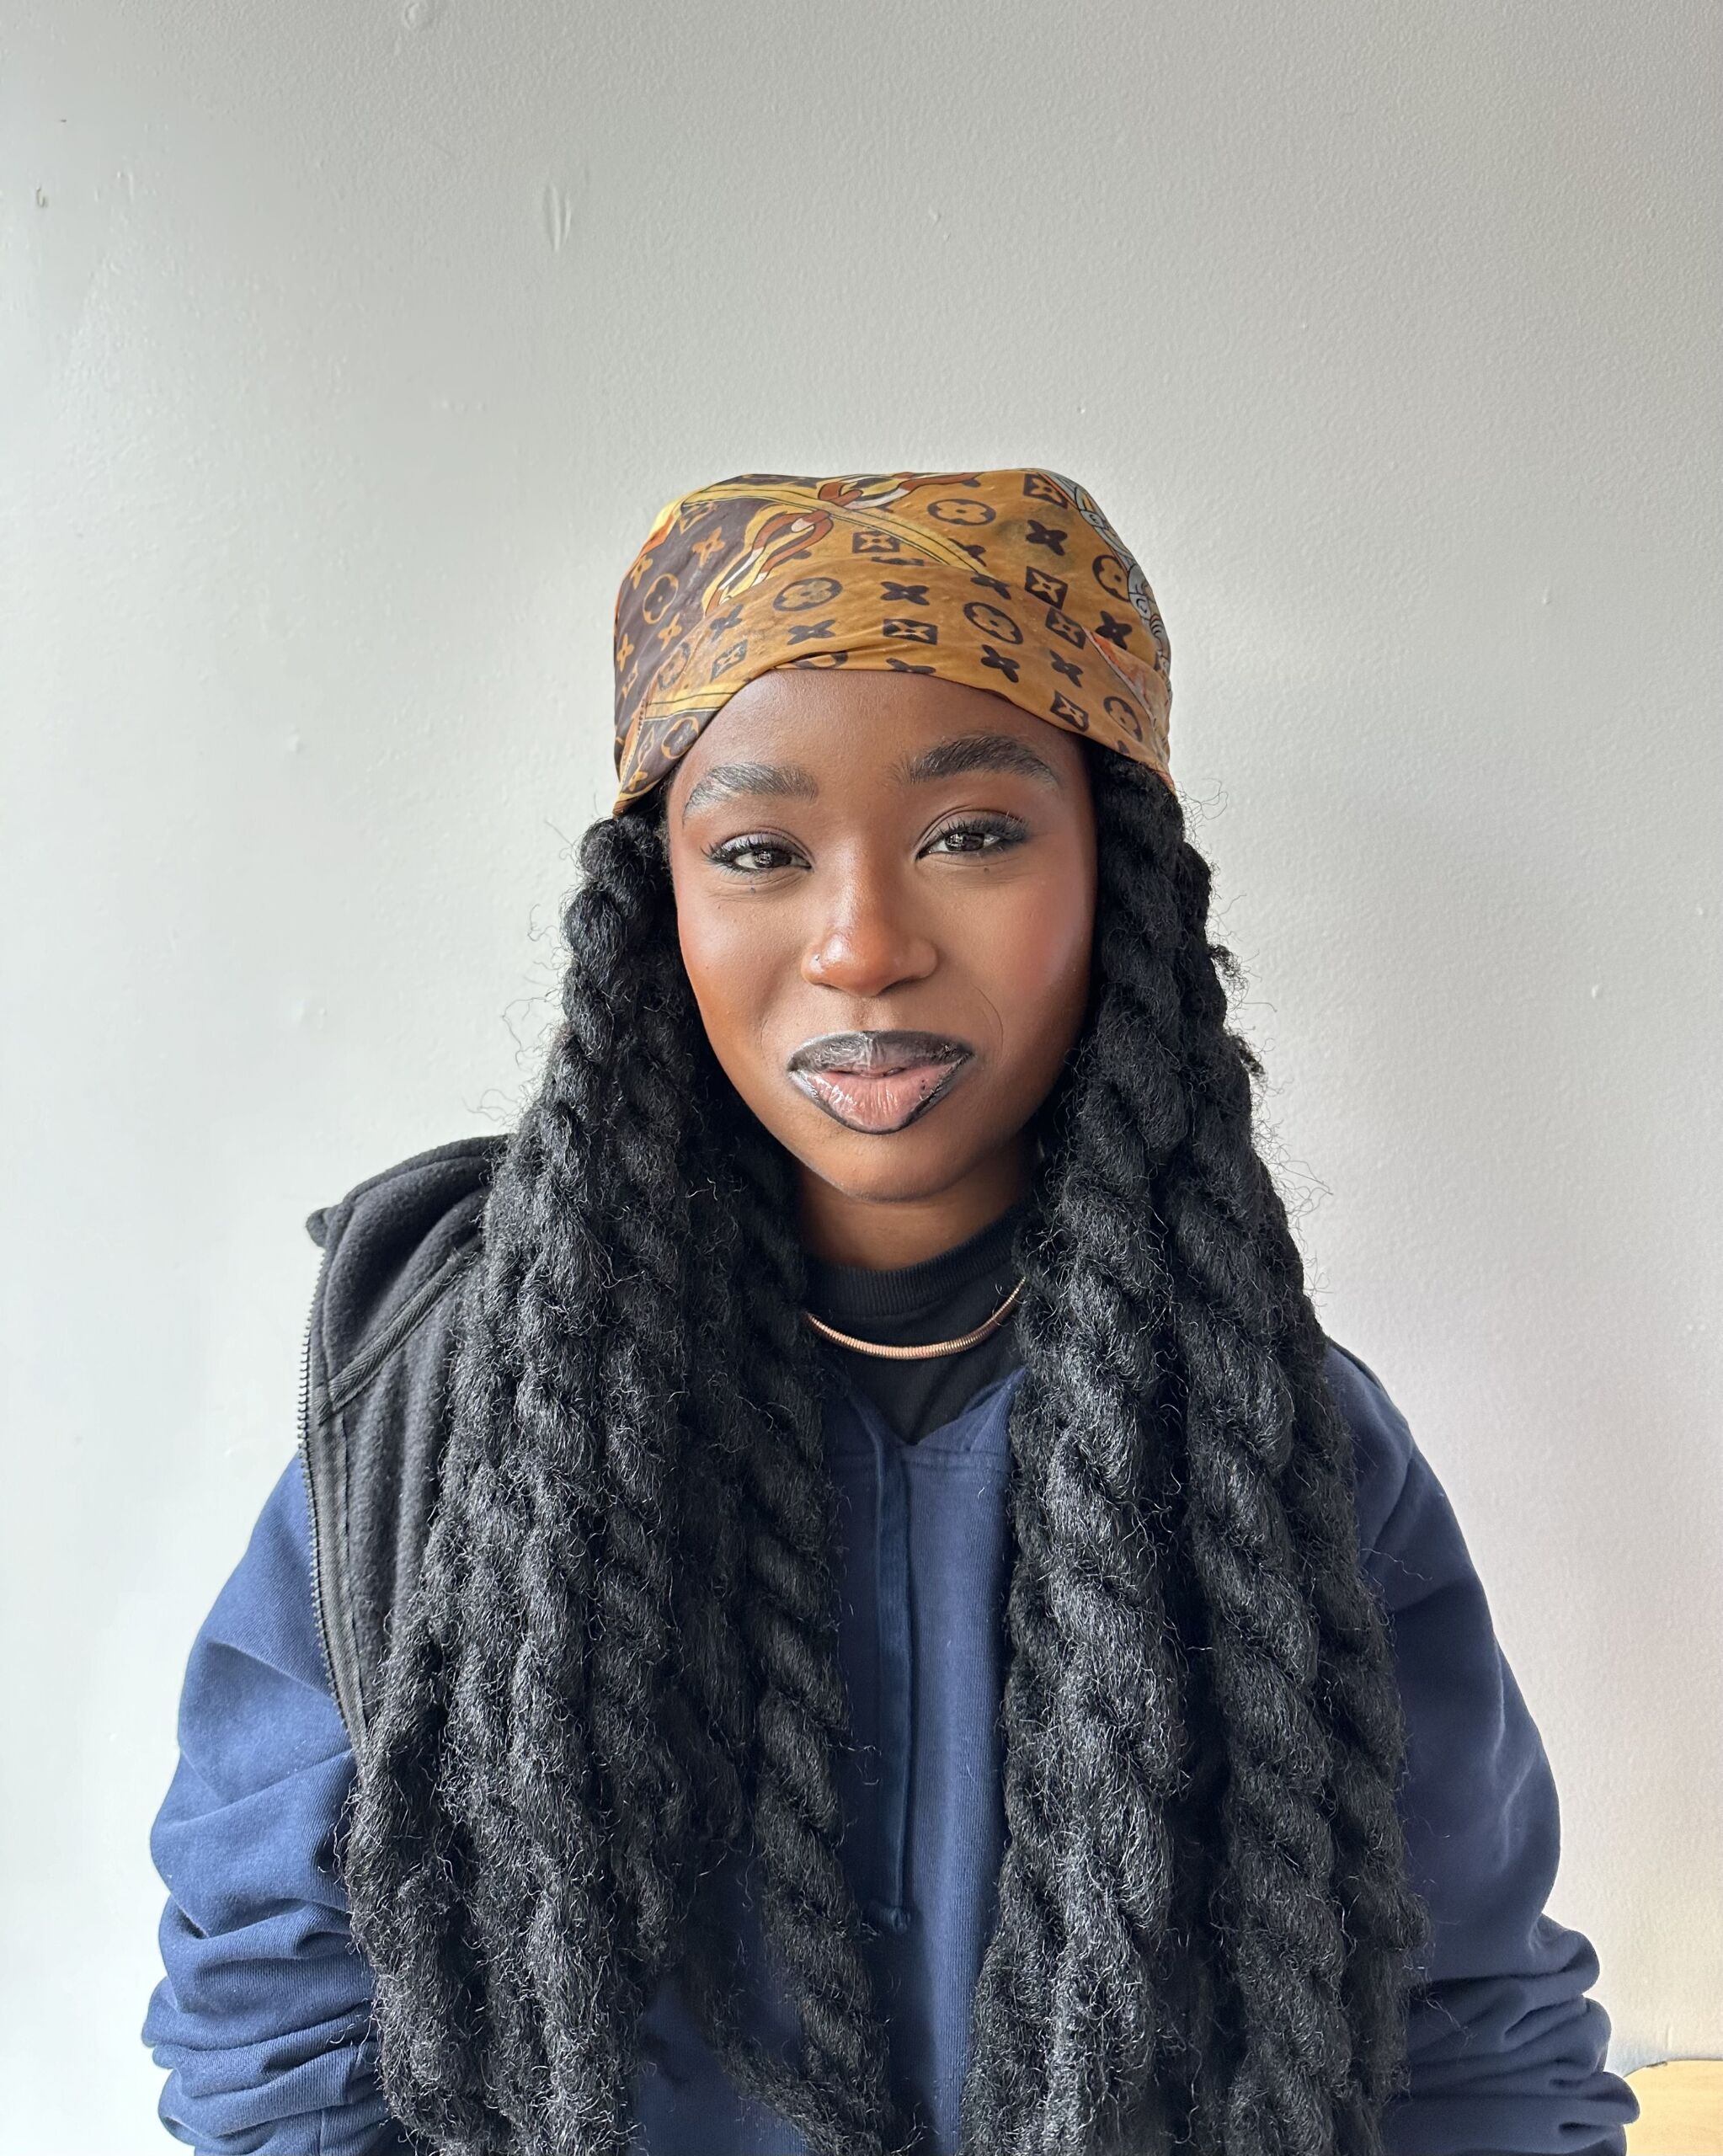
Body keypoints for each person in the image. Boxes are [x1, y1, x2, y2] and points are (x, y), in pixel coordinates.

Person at [141, 469, 1640, 2156]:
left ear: (1118, 883)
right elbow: (274, 1995)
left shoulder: (1272, 1444)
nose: (862, 942)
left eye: (974, 834)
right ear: (663, 909)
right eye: (763, 850)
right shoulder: (460, 1415)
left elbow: (1466, 2035)